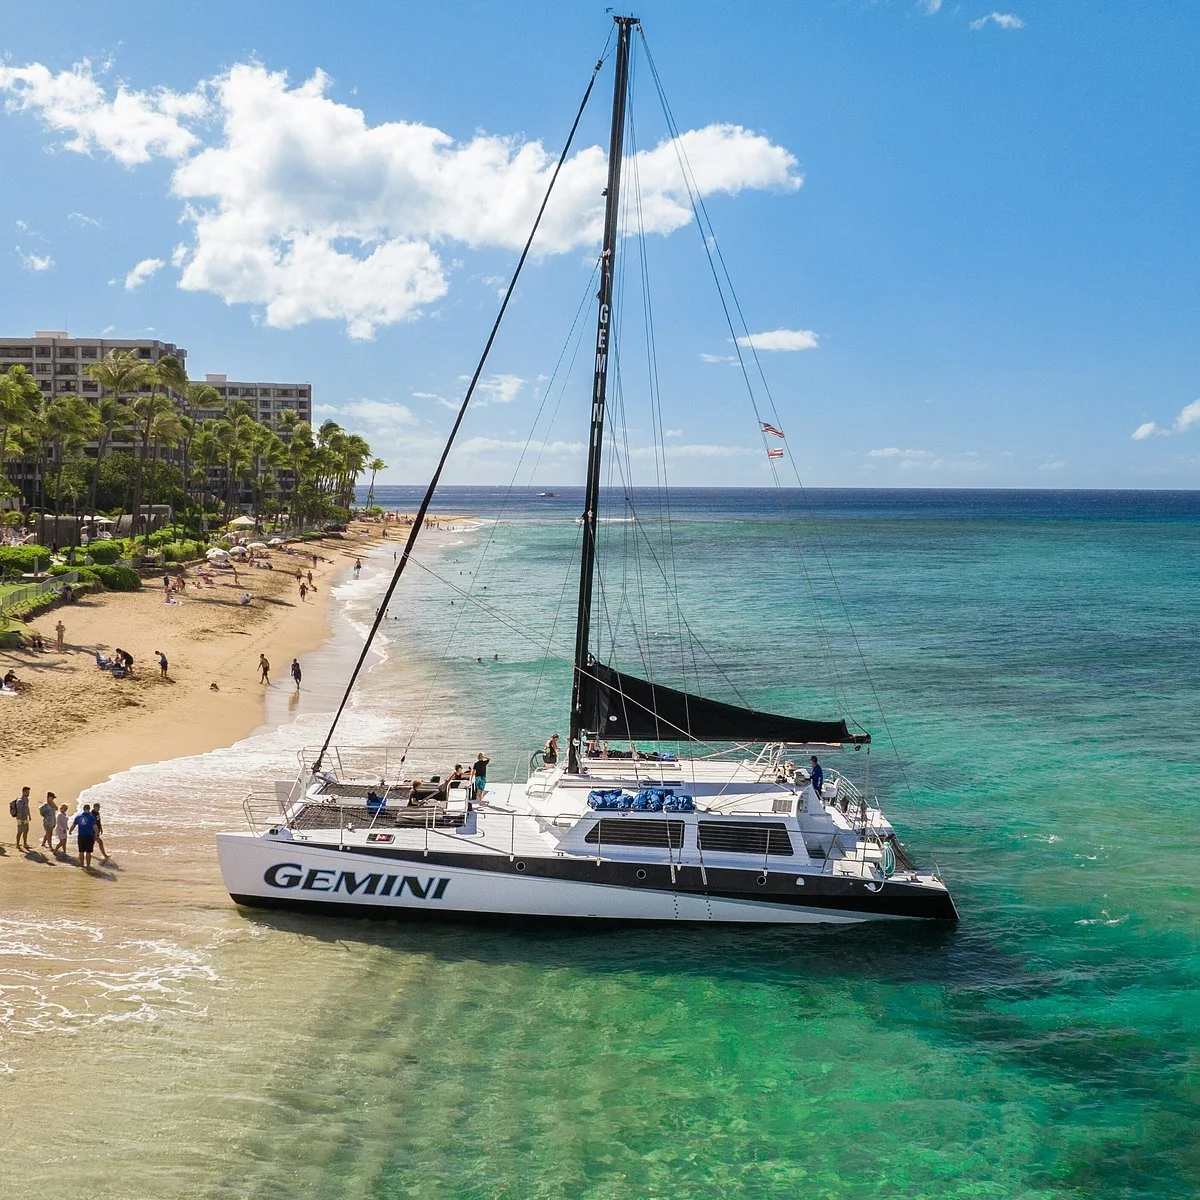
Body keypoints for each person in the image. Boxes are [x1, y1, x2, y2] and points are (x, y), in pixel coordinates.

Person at [70, 804, 98, 869]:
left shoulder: (78, 817)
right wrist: (96, 835)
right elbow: (95, 828)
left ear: (83, 809)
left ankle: (82, 865)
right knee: (88, 852)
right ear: (89, 809)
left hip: (81, 836)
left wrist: (70, 831)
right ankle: (88, 865)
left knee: (81, 851)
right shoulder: (91, 817)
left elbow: (73, 825)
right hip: (89, 836)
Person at [11, 785, 32, 851]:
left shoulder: (26, 799)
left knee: (26, 831)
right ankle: (17, 844)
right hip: (20, 819)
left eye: (28, 792)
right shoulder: (19, 801)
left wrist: (29, 815)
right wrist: (22, 820)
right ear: (23, 792)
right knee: (20, 831)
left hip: (25, 818)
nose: (28, 793)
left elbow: (27, 808)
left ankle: (25, 843)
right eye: (27, 792)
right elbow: (19, 811)